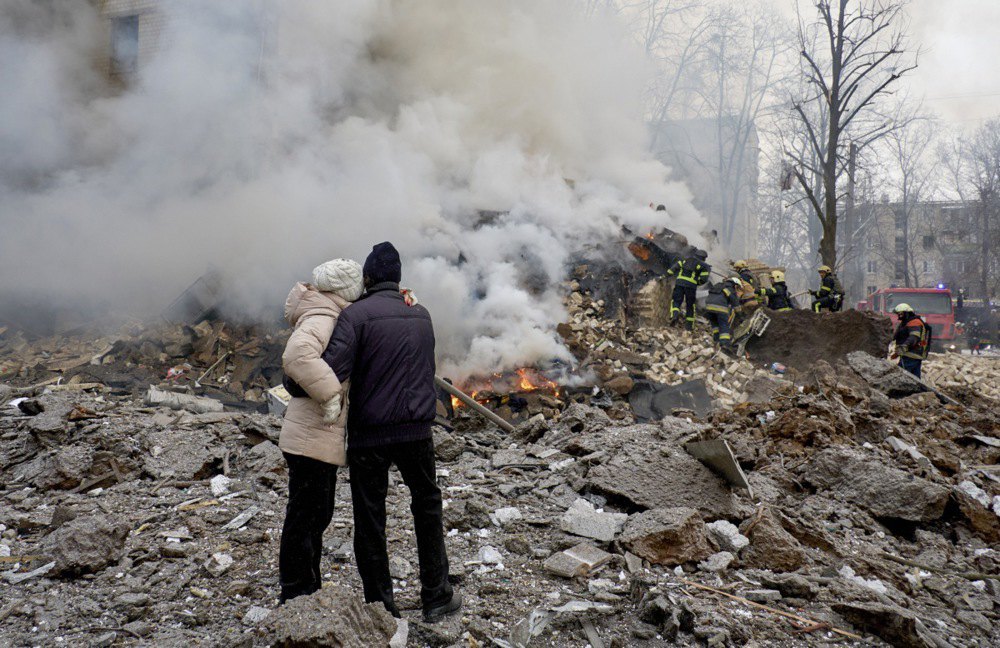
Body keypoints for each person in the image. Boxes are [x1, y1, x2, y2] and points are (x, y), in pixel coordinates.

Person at [322, 242, 460, 623]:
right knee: (427, 505)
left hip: (370, 433)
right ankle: (436, 595)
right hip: (417, 430)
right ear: (398, 277)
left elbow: (334, 371)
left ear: (367, 277)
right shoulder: (422, 314)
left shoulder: (355, 316)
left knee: (370, 519)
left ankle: (382, 607)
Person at [277, 258, 364, 603]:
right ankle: (296, 590)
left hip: (314, 436)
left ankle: (306, 585)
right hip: (310, 436)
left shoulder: (326, 313)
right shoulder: (322, 317)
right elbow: (297, 355)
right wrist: (329, 394)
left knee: (316, 512)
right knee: (306, 515)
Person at [665, 249, 711, 330]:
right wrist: (696, 283)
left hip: (679, 283)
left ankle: (674, 315)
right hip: (691, 287)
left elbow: (674, 268)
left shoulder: (685, 260)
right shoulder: (704, 266)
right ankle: (689, 326)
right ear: (704, 258)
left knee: (676, 301)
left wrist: (666, 275)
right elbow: (704, 279)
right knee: (690, 305)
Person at [891, 303, 931, 378]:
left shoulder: (914, 322)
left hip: (910, 354)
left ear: (906, 313)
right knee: (915, 378)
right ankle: (920, 389)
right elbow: (896, 336)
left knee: (902, 376)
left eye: (900, 314)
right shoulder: (906, 323)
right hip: (913, 355)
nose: (899, 316)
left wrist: (904, 347)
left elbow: (914, 337)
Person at [705, 276, 743, 348]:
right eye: (737, 287)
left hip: (708, 306)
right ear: (734, 284)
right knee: (723, 324)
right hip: (719, 307)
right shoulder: (730, 289)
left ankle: (716, 339)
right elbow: (735, 303)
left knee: (715, 323)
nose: (737, 289)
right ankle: (724, 343)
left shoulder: (718, 285)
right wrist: (740, 315)